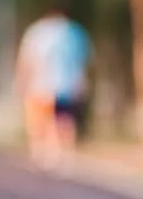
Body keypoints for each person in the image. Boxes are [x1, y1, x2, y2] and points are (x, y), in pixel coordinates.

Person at [15, 9, 93, 169]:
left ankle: (42, 153)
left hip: (41, 86)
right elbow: (84, 61)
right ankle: (63, 156)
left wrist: (21, 82)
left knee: (42, 121)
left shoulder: (37, 32)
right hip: (67, 86)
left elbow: (27, 60)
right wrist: (82, 82)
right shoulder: (74, 32)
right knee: (64, 121)